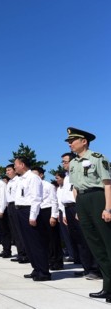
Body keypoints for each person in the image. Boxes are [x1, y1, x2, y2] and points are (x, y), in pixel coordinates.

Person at [65, 127, 111, 302]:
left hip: (97, 198)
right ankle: (107, 286)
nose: (70, 143)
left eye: (73, 140)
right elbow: (75, 187)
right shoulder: (74, 163)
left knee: (107, 243)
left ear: (84, 141)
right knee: (95, 246)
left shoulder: (98, 158)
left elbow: (107, 184)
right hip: (83, 201)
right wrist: (78, 208)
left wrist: (108, 208)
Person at [14, 156, 51, 281]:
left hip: (29, 211)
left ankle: (44, 272)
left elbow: (36, 198)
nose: (14, 167)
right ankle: (36, 268)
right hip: (20, 210)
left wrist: (33, 216)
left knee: (36, 242)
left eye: (16, 165)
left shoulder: (33, 178)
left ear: (22, 165)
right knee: (27, 243)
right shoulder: (20, 179)